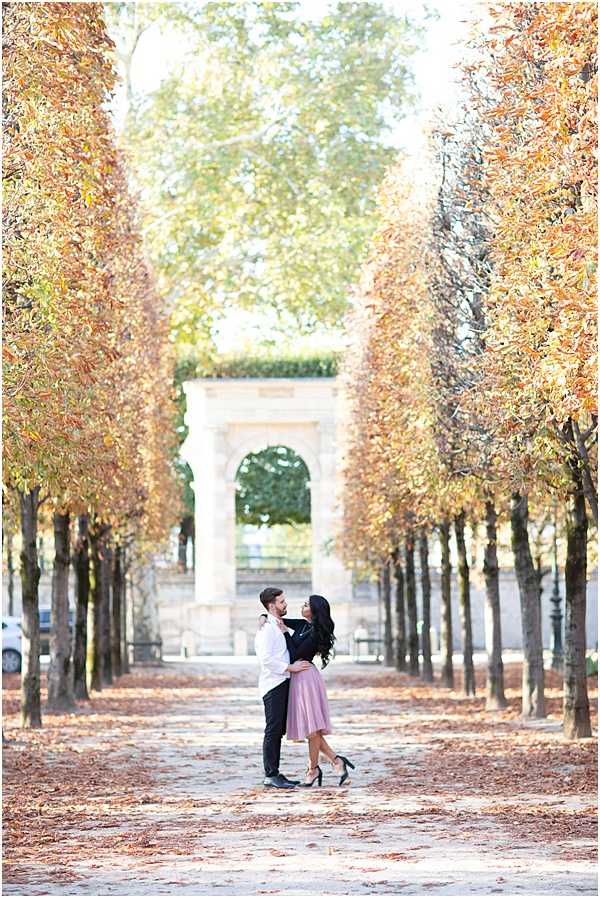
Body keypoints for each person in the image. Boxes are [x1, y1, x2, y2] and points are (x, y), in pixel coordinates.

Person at [259, 593, 356, 788]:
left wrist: (286, 633)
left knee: (312, 729)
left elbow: (296, 653)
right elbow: (277, 618)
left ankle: (315, 769)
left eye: (306, 604)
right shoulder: (303, 624)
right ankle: (333, 762)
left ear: (314, 610)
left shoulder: (316, 632)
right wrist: (261, 617)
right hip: (297, 677)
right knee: (311, 730)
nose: (301, 606)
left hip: (305, 677)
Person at [254, 586, 310, 789]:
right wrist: (290, 667)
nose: (285, 604)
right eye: (281, 602)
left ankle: (275, 772)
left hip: (283, 682)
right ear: (272, 605)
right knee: (273, 729)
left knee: (278, 730)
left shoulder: (277, 624)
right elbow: (266, 659)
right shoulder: (266, 629)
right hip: (273, 684)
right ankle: (270, 774)